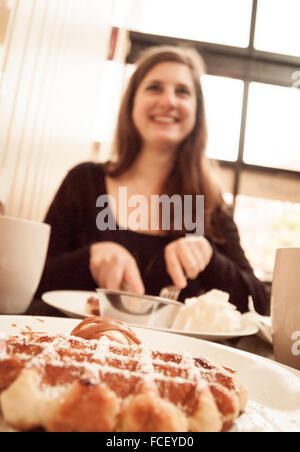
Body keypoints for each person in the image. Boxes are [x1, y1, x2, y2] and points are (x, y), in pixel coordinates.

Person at [36, 45, 269, 315]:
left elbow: (259, 306)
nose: (169, 101)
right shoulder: (84, 182)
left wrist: (211, 260)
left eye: (182, 91)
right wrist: (87, 259)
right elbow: (30, 283)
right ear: (132, 103)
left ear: (196, 112)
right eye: (154, 88)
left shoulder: (205, 204)